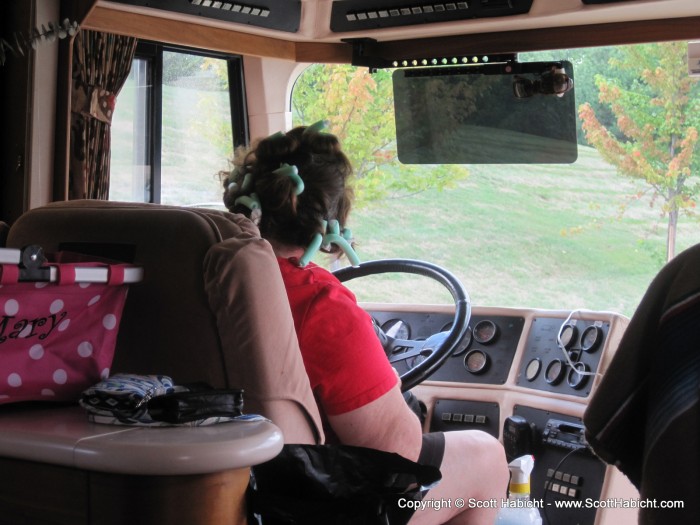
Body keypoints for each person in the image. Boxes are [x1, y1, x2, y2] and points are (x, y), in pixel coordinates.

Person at [222, 122, 509, 524]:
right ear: (331, 220)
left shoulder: (203, 278)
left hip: (224, 490)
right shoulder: (319, 302)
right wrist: (390, 386)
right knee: (486, 455)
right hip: (300, 502)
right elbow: (398, 451)